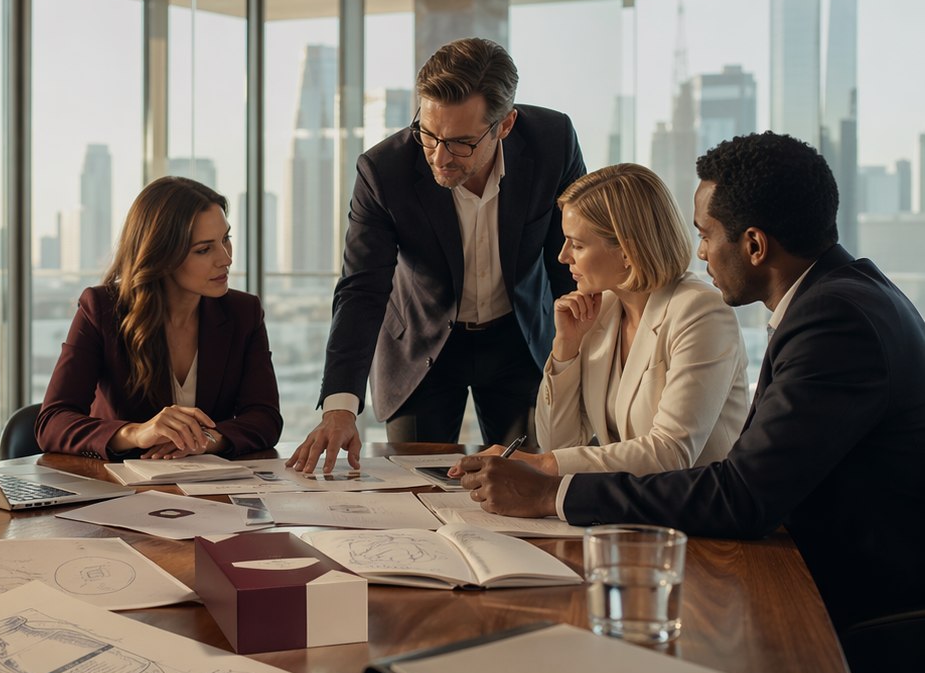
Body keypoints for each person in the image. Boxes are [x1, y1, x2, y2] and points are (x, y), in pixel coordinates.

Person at [457, 132, 925, 630]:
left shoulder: (834, 322)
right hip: (813, 570)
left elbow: (742, 495)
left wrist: (549, 492)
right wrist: (566, 352)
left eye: (705, 235)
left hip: (865, 608)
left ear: (754, 245)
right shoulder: (837, 301)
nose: (699, 253)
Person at [290, 37, 586, 472]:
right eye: (428, 135)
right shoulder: (383, 170)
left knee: (528, 478)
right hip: (421, 348)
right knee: (415, 484)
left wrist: (584, 360)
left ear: (505, 125)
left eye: (461, 142)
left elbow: (574, 258)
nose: (439, 157)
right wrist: (340, 405)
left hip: (520, 341)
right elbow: (362, 289)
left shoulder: (552, 143)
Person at [479, 163, 750, 476]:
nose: (563, 256)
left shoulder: (701, 311)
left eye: (577, 244)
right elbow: (559, 443)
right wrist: (566, 348)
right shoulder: (601, 309)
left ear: (626, 252)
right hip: (630, 498)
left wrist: (539, 463)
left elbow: (671, 453)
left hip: (699, 501)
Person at [37, 176, 281, 460]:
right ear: (161, 255)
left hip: (206, 482)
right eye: (204, 249)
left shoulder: (243, 312)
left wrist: (205, 440)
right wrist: (136, 433)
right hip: (118, 481)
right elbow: (52, 422)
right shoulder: (101, 309)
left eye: (226, 239)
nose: (226, 258)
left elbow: (265, 418)